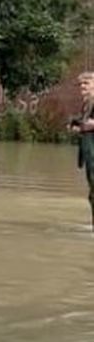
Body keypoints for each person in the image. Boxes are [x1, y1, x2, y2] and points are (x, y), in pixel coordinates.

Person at [70, 72, 94, 230]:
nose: (82, 88)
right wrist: (76, 124)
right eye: (81, 85)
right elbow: (85, 123)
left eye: (86, 84)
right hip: (89, 156)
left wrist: (86, 125)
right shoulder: (87, 104)